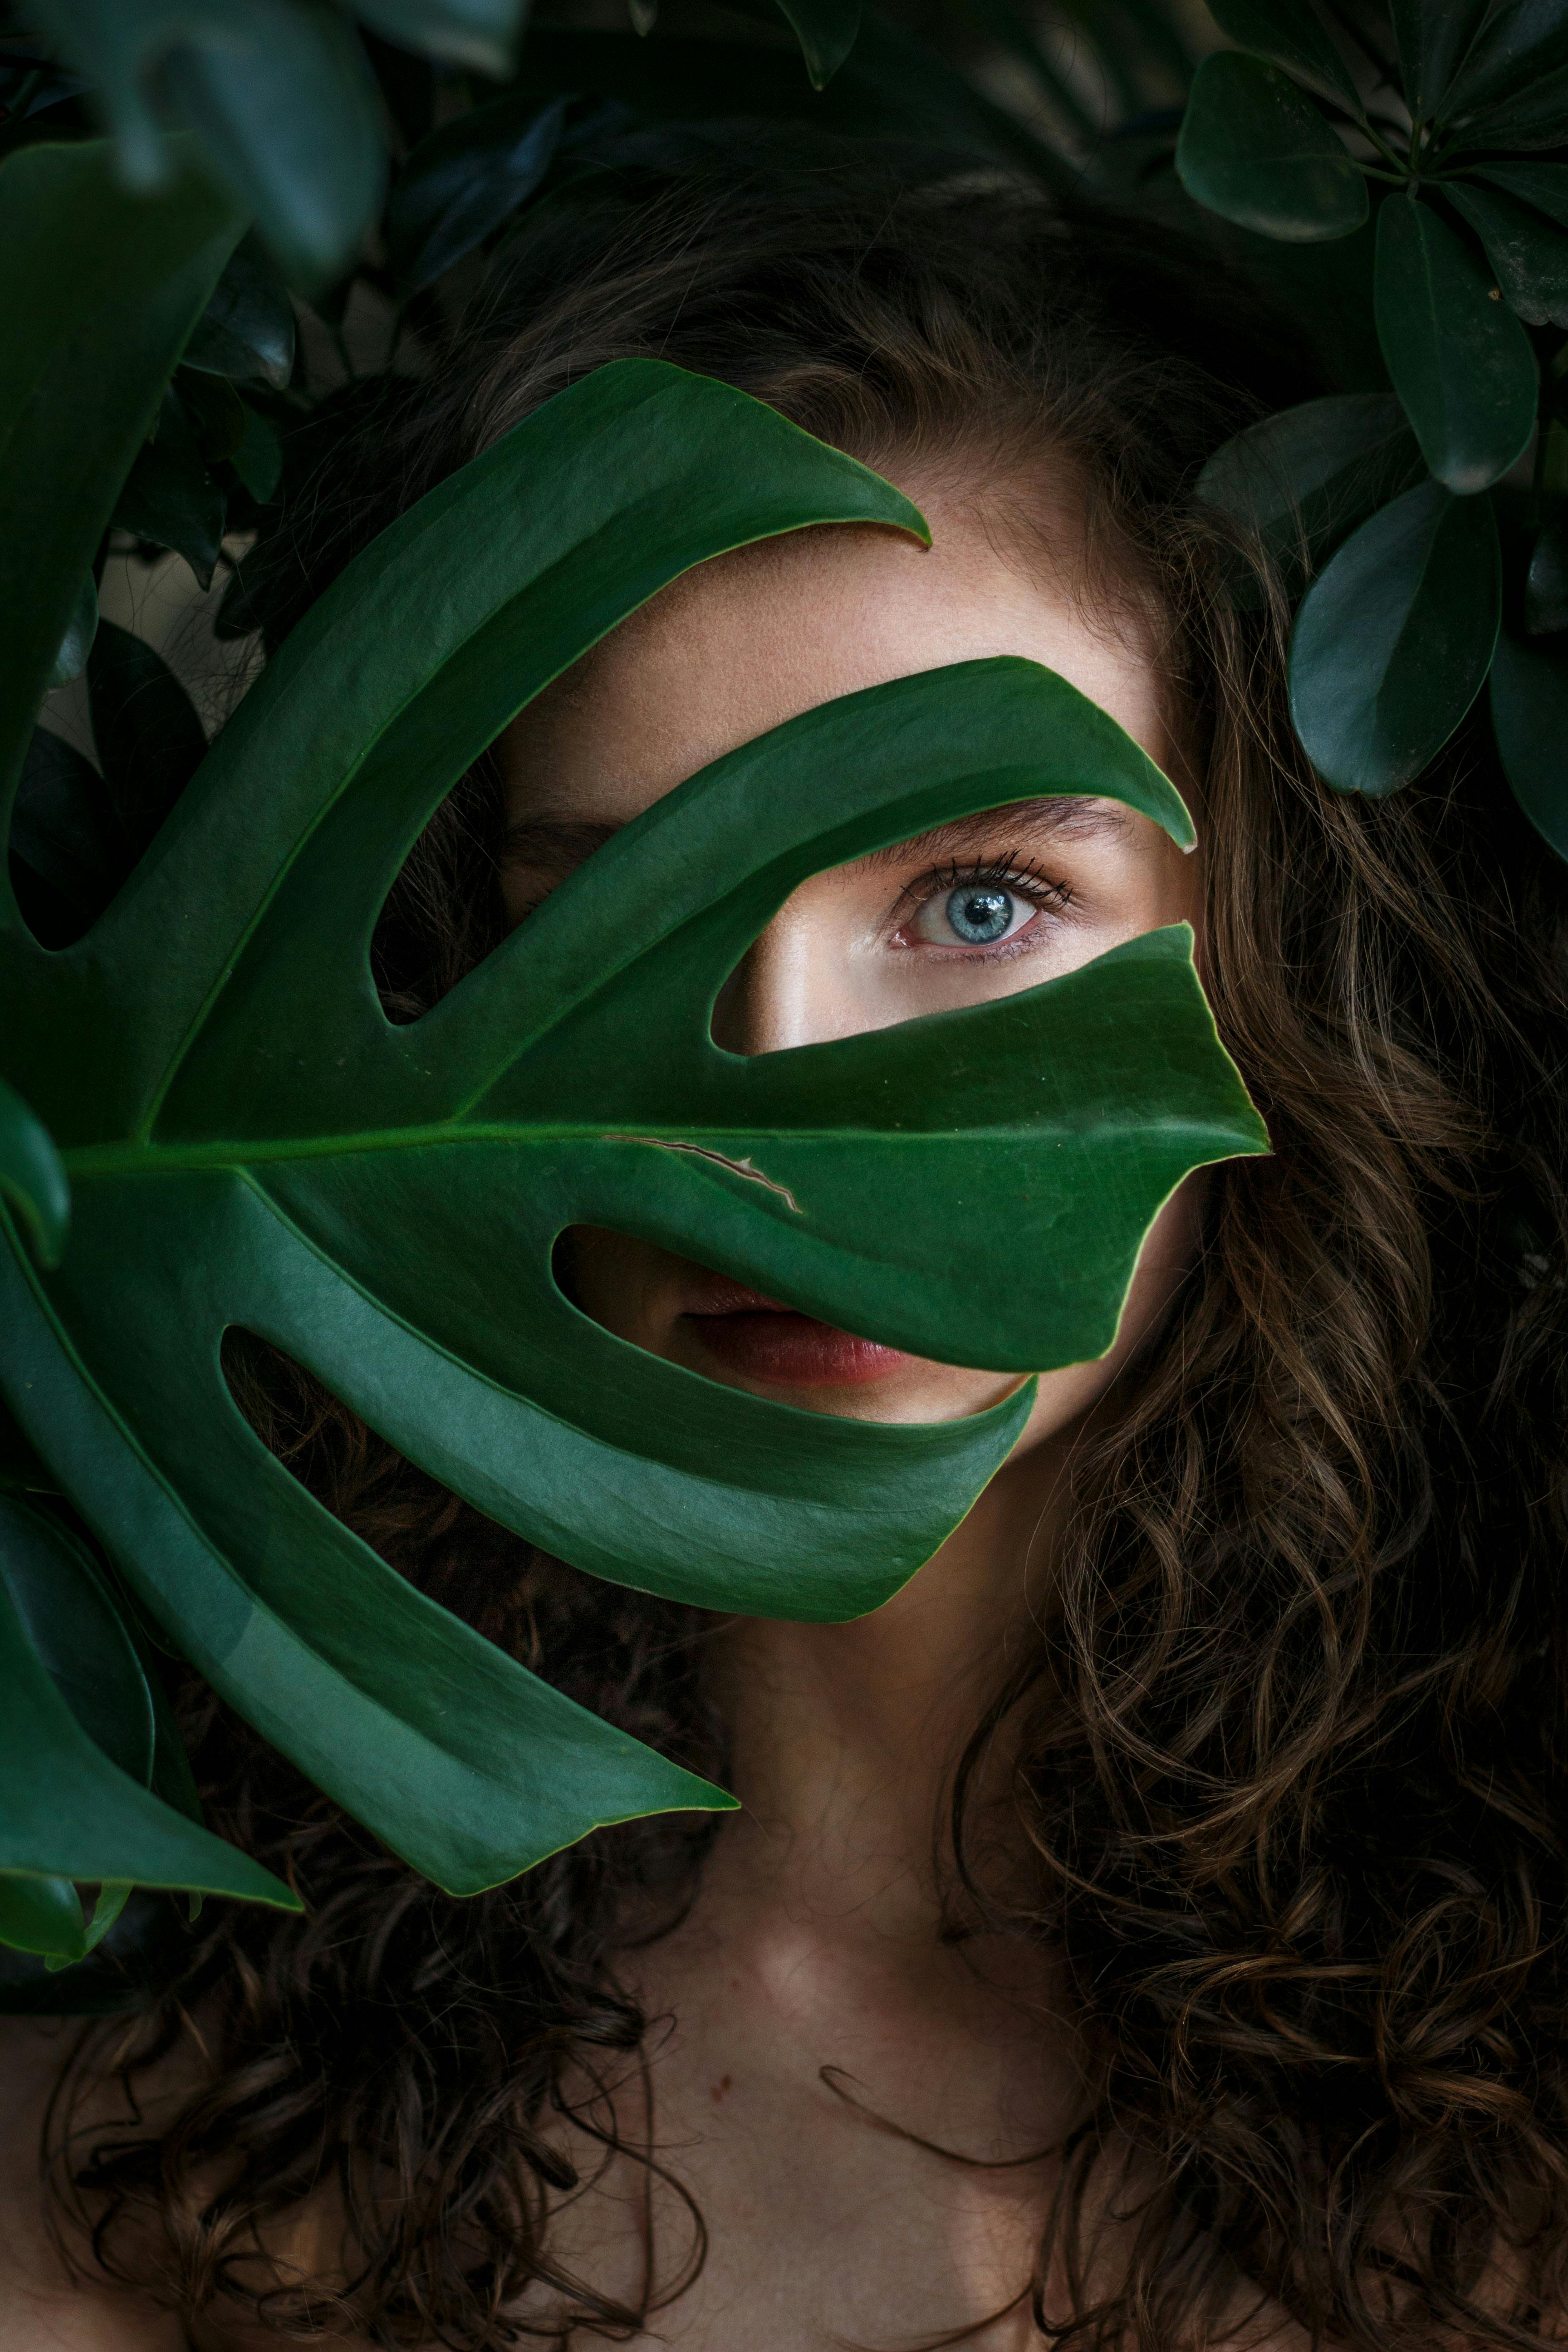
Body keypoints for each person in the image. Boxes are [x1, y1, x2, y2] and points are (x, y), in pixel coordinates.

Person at [4, 151, 1568, 2352]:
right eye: (609, 933)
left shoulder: (1523, 2088)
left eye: (980, 907)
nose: (768, 1118)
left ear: (1283, 970)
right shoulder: (131, 2160)